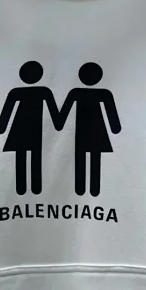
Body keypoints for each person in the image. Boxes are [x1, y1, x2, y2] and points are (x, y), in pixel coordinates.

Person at [55, 63, 121, 197]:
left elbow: (63, 114)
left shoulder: (75, 93)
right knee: (95, 159)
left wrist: (59, 124)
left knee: (81, 158)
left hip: (82, 132)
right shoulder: (103, 93)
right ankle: (93, 190)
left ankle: (81, 189)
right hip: (98, 131)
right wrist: (115, 128)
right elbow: (112, 115)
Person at [0, 61, 60, 195]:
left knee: (21, 156)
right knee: (35, 156)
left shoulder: (17, 92)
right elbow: (54, 111)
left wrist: (1, 128)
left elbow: (7, 112)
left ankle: (23, 188)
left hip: (19, 128)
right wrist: (58, 124)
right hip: (34, 130)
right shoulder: (44, 91)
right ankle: (35, 187)